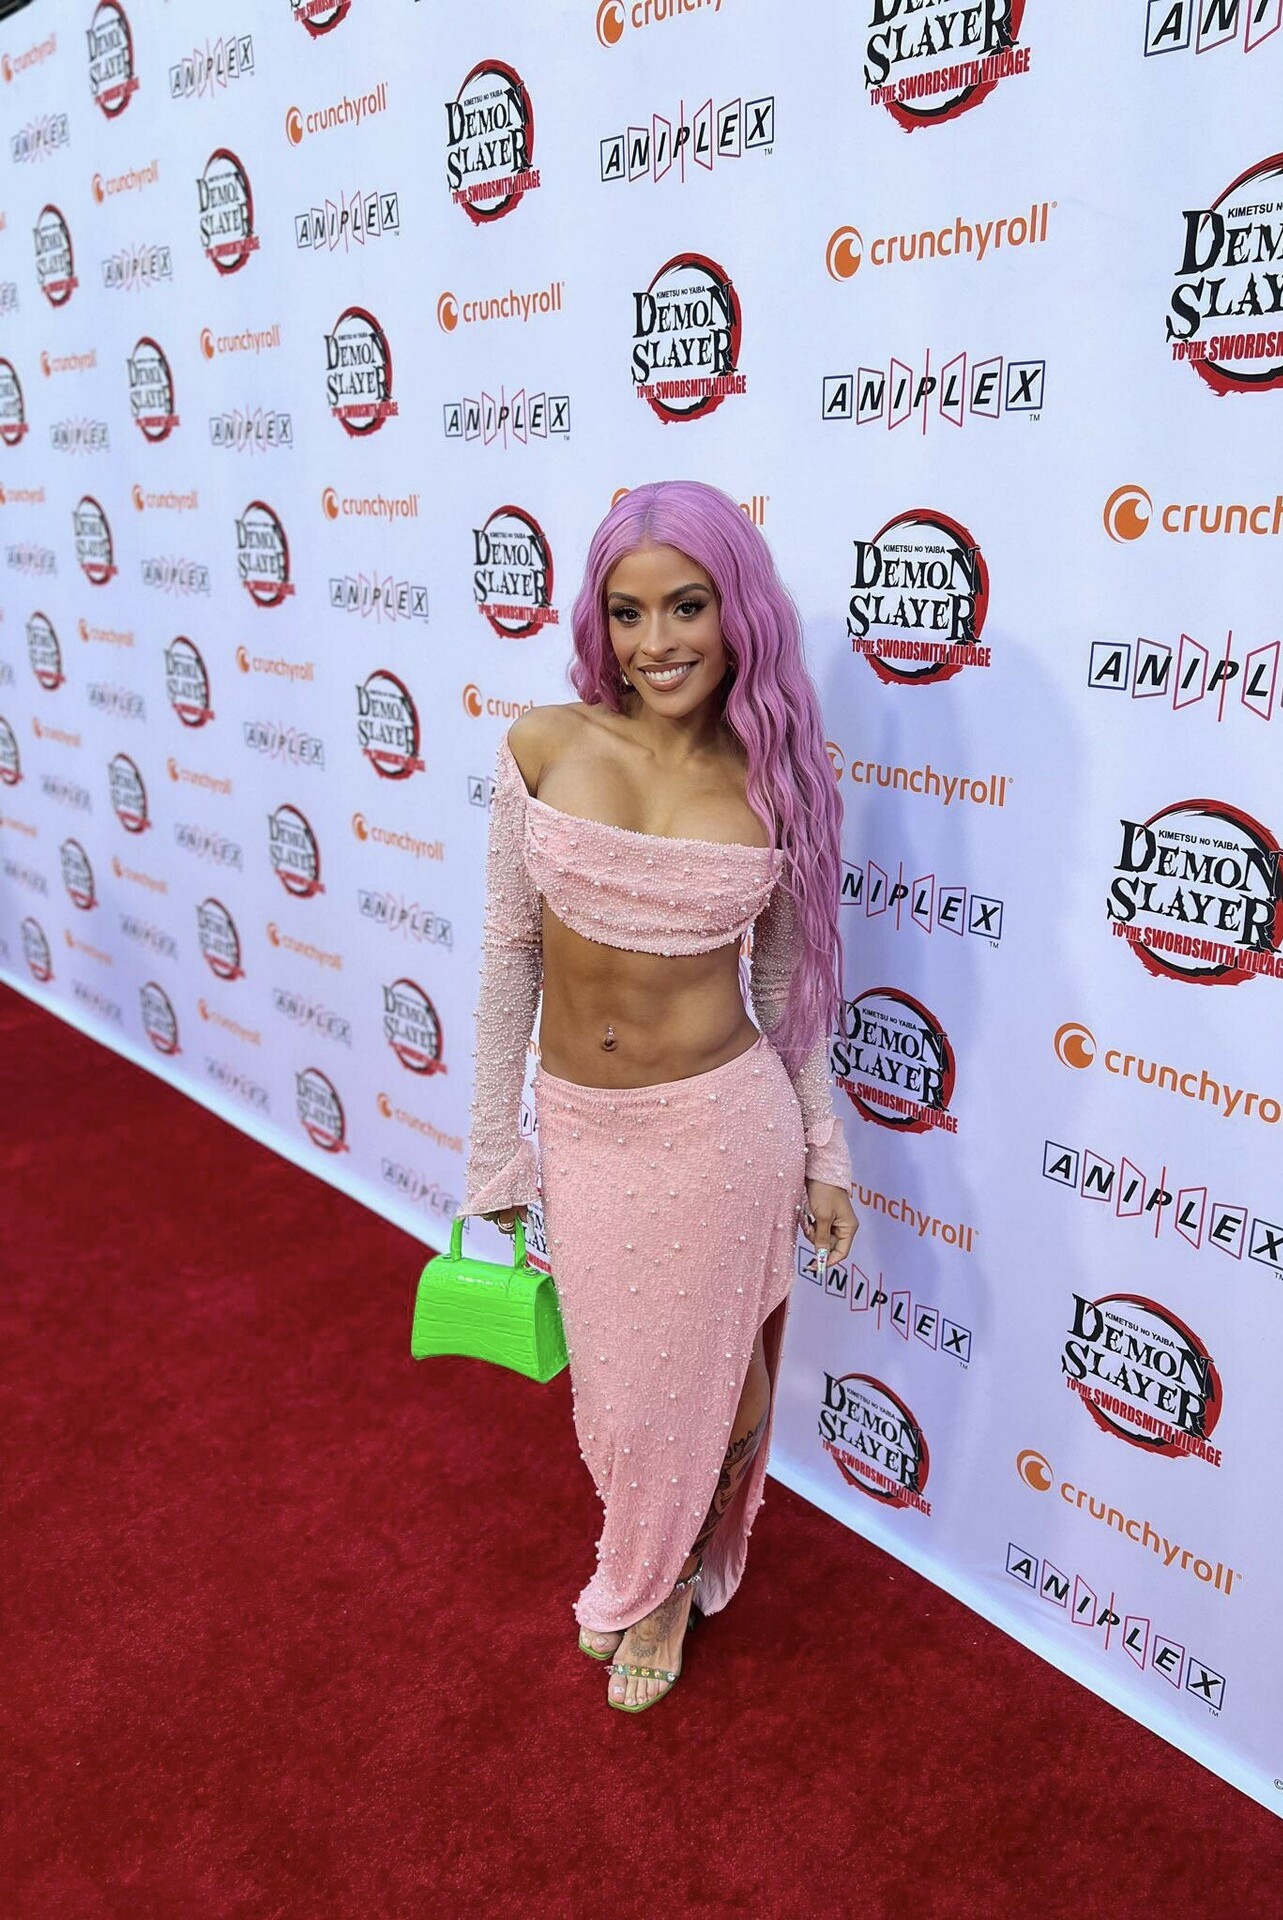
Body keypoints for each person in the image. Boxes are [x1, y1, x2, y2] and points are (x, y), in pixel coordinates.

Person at [458, 479, 859, 1713]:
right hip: (588, 1130)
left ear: (738, 611)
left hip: (723, 1126)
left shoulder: (781, 777)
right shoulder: (542, 744)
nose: (656, 642)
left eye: (686, 606)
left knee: (722, 1371)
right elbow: (510, 958)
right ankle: (651, 1549)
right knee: (626, 1398)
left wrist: (825, 1152)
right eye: (627, 613)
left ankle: (669, 1582)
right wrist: (493, 1148)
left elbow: (785, 991)